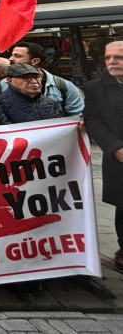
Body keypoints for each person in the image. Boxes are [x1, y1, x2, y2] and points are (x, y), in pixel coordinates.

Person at [82, 42, 123, 271]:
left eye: (118, 57)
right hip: (119, 158)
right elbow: (94, 121)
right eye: (108, 57)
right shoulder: (95, 88)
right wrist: (115, 148)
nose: (112, 62)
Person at [1, 41, 84, 117]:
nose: (11, 59)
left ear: (35, 61)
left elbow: (78, 117)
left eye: (17, 56)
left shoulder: (63, 85)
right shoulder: (4, 84)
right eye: (12, 55)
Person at [0, 63, 64, 123]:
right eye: (26, 77)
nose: (34, 81)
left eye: (37, 77)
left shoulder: (50, 102)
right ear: (9, 80)